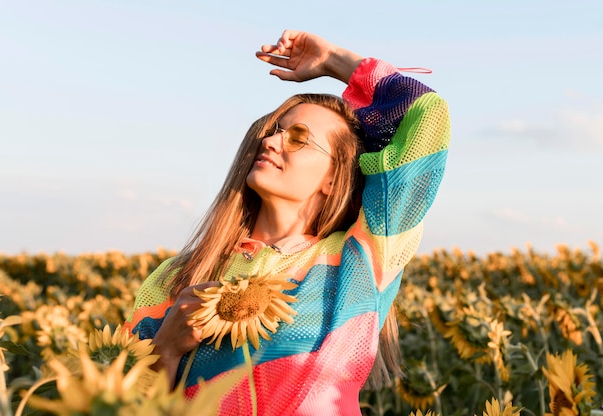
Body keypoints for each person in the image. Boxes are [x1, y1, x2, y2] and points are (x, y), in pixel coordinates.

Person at [124, 29, 450, 415]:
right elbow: (122, 403)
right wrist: (165, 348)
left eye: (299, 138)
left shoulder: (361, 260)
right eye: (274, 131)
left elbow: (428, 118)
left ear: (333, 177)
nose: (273, 142)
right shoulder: (175, 278)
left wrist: (333, 61)